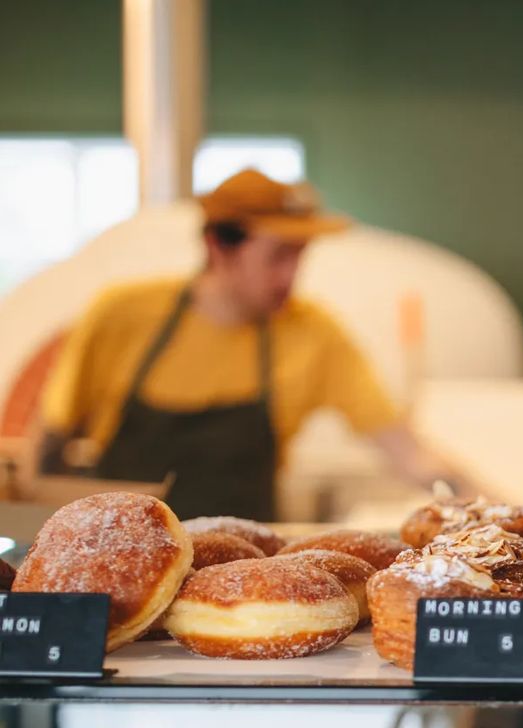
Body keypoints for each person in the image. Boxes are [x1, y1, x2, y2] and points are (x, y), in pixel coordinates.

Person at [37, 168, 476, 521]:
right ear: (218, 246)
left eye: (300, 254)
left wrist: (491, 508)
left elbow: (409, 452)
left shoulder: (313, 333)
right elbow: (49, 441)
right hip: (122, 558)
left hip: (244, 572)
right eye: (278, 256)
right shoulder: (122, 315)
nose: (291, 275)